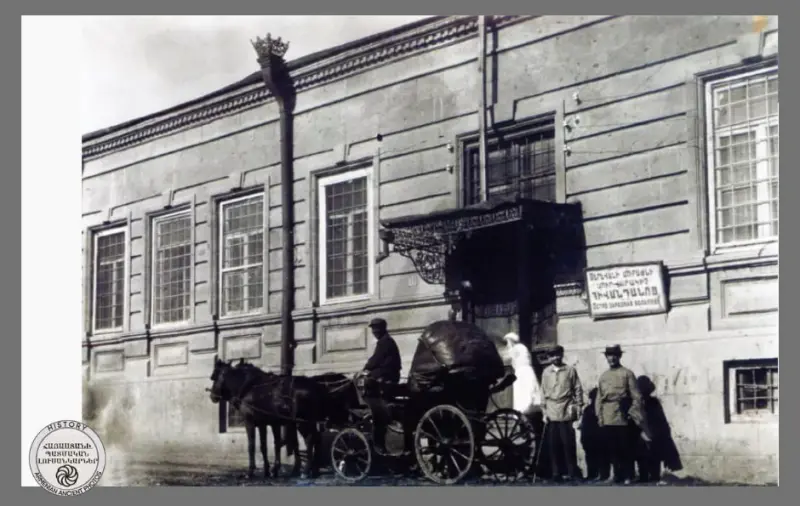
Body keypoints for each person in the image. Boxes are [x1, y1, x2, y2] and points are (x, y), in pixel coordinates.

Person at [595, 345, 651, 485]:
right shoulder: (603, 376)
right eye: (609, 355)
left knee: (625, 448)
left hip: (622, 416)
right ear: (606, 357)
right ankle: (616, 476)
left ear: (619, 356)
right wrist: (599, 416)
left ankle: (628, 476)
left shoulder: (627, 373)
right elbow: (599, 398)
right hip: (608, 415)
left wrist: (631, 412)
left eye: (614, 355)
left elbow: (636, 396)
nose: (612, 358)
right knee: (612, 448)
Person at [540, 345, 584, 482]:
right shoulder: (546, 372)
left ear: (562, 355)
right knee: (553, 445)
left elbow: (577, 389)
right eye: (553, 355)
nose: (556, 357)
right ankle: (556, 473)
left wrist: (578, 406)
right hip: (552, 411)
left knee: (568, 443)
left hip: (566, 410)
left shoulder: (570, 370)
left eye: (558, 354)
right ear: (549, 358)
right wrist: (544, 411)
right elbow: (543, 392)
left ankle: (572, 472)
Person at [361, 318, 402, 454]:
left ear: (382, 329)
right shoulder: (387, 341)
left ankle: (369, 408)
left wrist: (365, 369)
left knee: (364, 382)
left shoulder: (385, 342)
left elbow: (376, 359)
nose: (374, 332)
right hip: (388, 375)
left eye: (376, 329)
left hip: (386, 377)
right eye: (373, 329)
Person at [579, 388, 610, 482]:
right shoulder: (601, 409)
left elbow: (584, 427)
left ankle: (594, 475)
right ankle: (600, 475)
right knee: (600, 457)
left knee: (593, 457)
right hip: (596, 438)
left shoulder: (588, 409)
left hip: (593, 439)